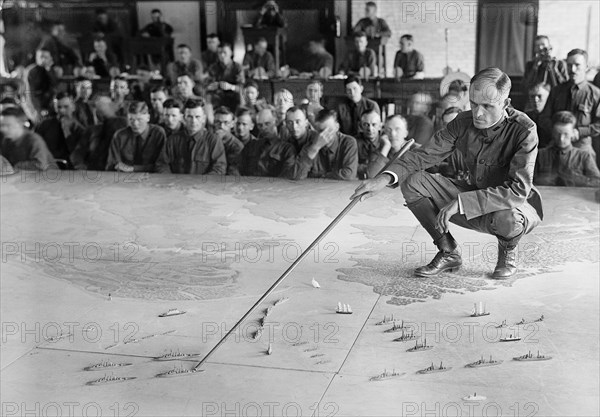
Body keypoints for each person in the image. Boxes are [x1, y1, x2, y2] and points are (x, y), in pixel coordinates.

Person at [351, 67, 543, 280]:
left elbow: (517, 190)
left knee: (508, 219)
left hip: (510, 205)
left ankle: (507, 253)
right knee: (413, 182)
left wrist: (461, 203)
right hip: (473, 194)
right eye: (473, 103)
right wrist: (384, 178)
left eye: (487, 106)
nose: (478, 114)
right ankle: (448, 251)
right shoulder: (462, 122)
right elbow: (423, 156)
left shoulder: (524, 130)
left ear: (505, 104)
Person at [540, 49, 600, 164]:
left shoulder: (596, 94)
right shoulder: (556, 91)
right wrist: (557, 131)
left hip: (582, 148)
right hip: (556, 146)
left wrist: (579, 132)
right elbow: (544, 118)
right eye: (569, 65)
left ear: (586, 67)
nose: (572, 70)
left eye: (577, 65)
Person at [535, 111, 600, 187]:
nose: (561, 139)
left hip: (574, 197)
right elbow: (527, 180)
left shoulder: (583, 156)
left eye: (566, 134)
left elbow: (597, 182)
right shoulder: (540, 155)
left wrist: (575, 179)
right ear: (552, 132)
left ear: (573, 133)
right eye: (558, 133)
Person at [291, 109, 358, 180]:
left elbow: (349, 175)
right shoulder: (310, 145)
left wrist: (321, 176)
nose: (323, 135)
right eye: (320, 131)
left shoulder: (348, 142)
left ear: (337, 127)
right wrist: (315, 148)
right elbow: (296, 176)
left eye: (329, 130)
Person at [165, 98, 226, 175]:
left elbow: (219, 168)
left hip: (204, 185)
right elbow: (162, 165)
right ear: (183, 118)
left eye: (197, 117)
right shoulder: (172, 140)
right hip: (176, 185)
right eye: (190, 117)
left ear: (203, 118)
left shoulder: (213, 140)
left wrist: (201, 184)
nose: (193, 121)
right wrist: (170, 181)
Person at [105, 101, 169, 173]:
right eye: (131, 120)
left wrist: (133, 169)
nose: (135, 124)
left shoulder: (158, 133)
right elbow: (113, 164)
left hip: (152, 177)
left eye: (139, 120)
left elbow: (161, 165)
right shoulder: (119, 136)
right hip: (125, 178)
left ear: (148, 118)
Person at [71, 94, 127, 171]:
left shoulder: (122, 123)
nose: (100, 109)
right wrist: (80, 166)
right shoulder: (91, 130)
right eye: (97, 107)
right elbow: (78, 153)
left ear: (112, 107)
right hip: (93, 171)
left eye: (104, 105)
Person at [239, 106, 295, 177]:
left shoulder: (286, 149)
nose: (263, 128)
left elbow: (286, 176)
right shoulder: (251, 146)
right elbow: (239, 168)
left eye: (267, 124)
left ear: (276, 122)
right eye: (260, 125)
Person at [35, 92, 85, 166]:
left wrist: (67, 131)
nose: (62, 111)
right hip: (48, 167)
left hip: (70, 169)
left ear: (73, 107)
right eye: (59, 107)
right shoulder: (44, 125)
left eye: (66, 107)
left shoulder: (79, 130)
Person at [366, 114, 410, 178]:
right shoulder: (380, 152)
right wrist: (386, 147)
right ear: (384, 133)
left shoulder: (418, 150)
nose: (393, 134)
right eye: (389, 130)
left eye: (397, 129)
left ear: (405, 133)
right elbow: (371, 176)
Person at [206, 43, 245, 110]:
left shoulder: (237, 67)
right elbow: (208, 85)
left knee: (241, 94)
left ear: (231, 53)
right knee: (208, 95)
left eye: (225, 52)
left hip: (233, 94)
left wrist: (230, 87)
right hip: (218, 95)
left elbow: (241, 87)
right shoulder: (213, 67)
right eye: (219, 53)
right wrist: (214, 86)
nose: (222, 55)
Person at [24, 48, 57, 119]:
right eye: (41, 57)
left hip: (50, 108)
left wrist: (48, 70)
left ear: (50, 58)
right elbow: (29, 93)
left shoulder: (51, 70)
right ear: (36, 57)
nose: (43, 59)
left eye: (46, 57)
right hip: (35, 107)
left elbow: (54, 88)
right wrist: (35, 111)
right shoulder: (31, 71)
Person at [213, 106, 244, 175]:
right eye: (218, 122)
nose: (221, 126)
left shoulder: (237, 147)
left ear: (232, 124)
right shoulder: (209, 141)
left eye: (226, 123)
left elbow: (233, 174)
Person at [356, 109, 382, 179]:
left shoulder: (386, 143)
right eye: (366, 124)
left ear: (380, 126)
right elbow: (350, 166)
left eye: (374, 124)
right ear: (360, 126)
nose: (370, 129)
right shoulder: (353, 143)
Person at [525, 83, 551, 148]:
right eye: (532, 96)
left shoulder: (553, 118)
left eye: (539, 96)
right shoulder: (526, 117)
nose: (535, 100)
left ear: (548, 97)